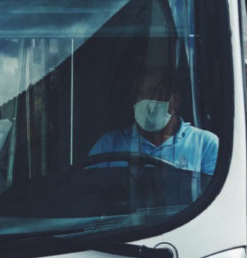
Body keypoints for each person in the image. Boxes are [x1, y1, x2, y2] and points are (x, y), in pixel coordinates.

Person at [88, 67, 219, 177]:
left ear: (176, 100)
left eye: (155, 93)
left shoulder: (205, 144)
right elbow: (89, 193)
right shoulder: (107, 145)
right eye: (139, 94)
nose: (146, 101)